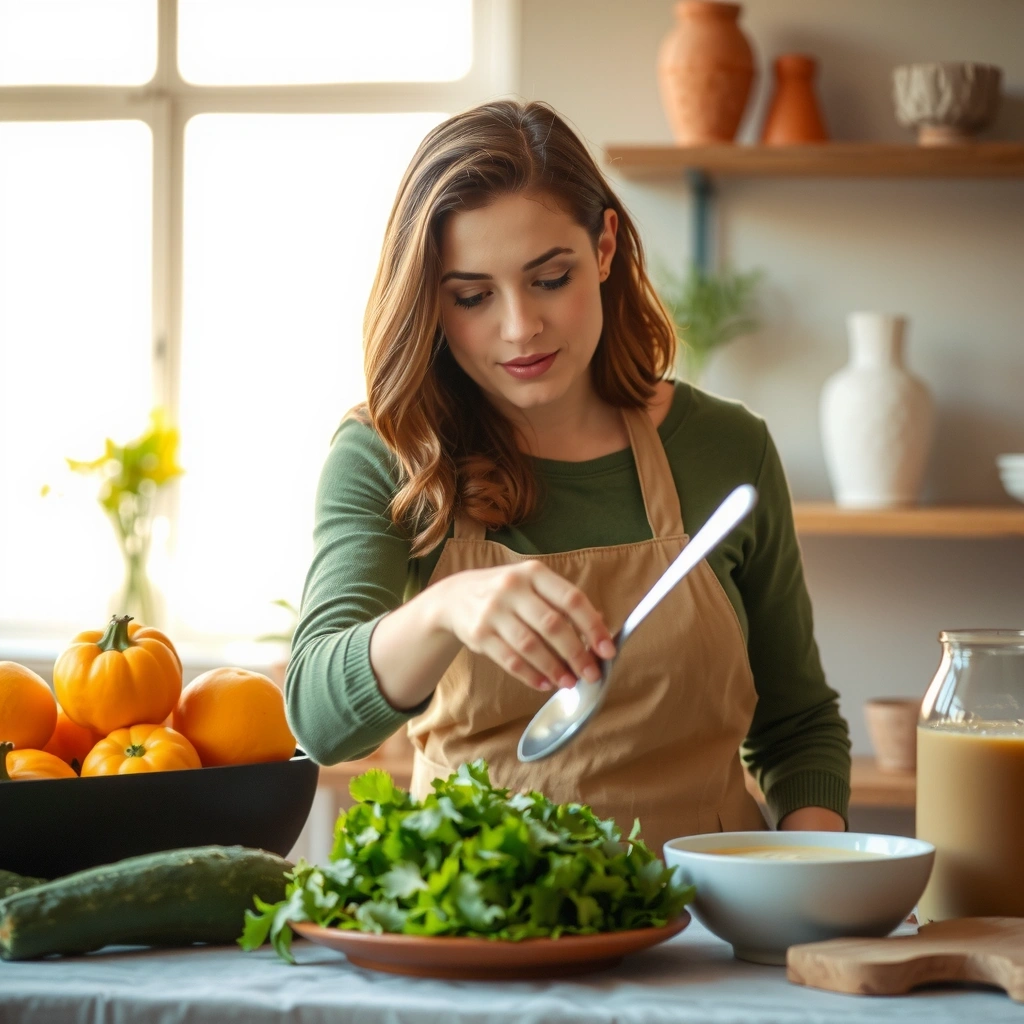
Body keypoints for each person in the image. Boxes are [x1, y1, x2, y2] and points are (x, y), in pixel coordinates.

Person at [286, 99, 851, 853]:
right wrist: (446, 608)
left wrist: (811, 872)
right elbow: (321, 722)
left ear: (606, 246)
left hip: (702, 935)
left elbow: (797, 726)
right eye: (473, 296)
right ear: (431, 301)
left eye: (550, 278)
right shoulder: (391, 453)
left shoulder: (725, 448)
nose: (520, 327)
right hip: (474, 935)